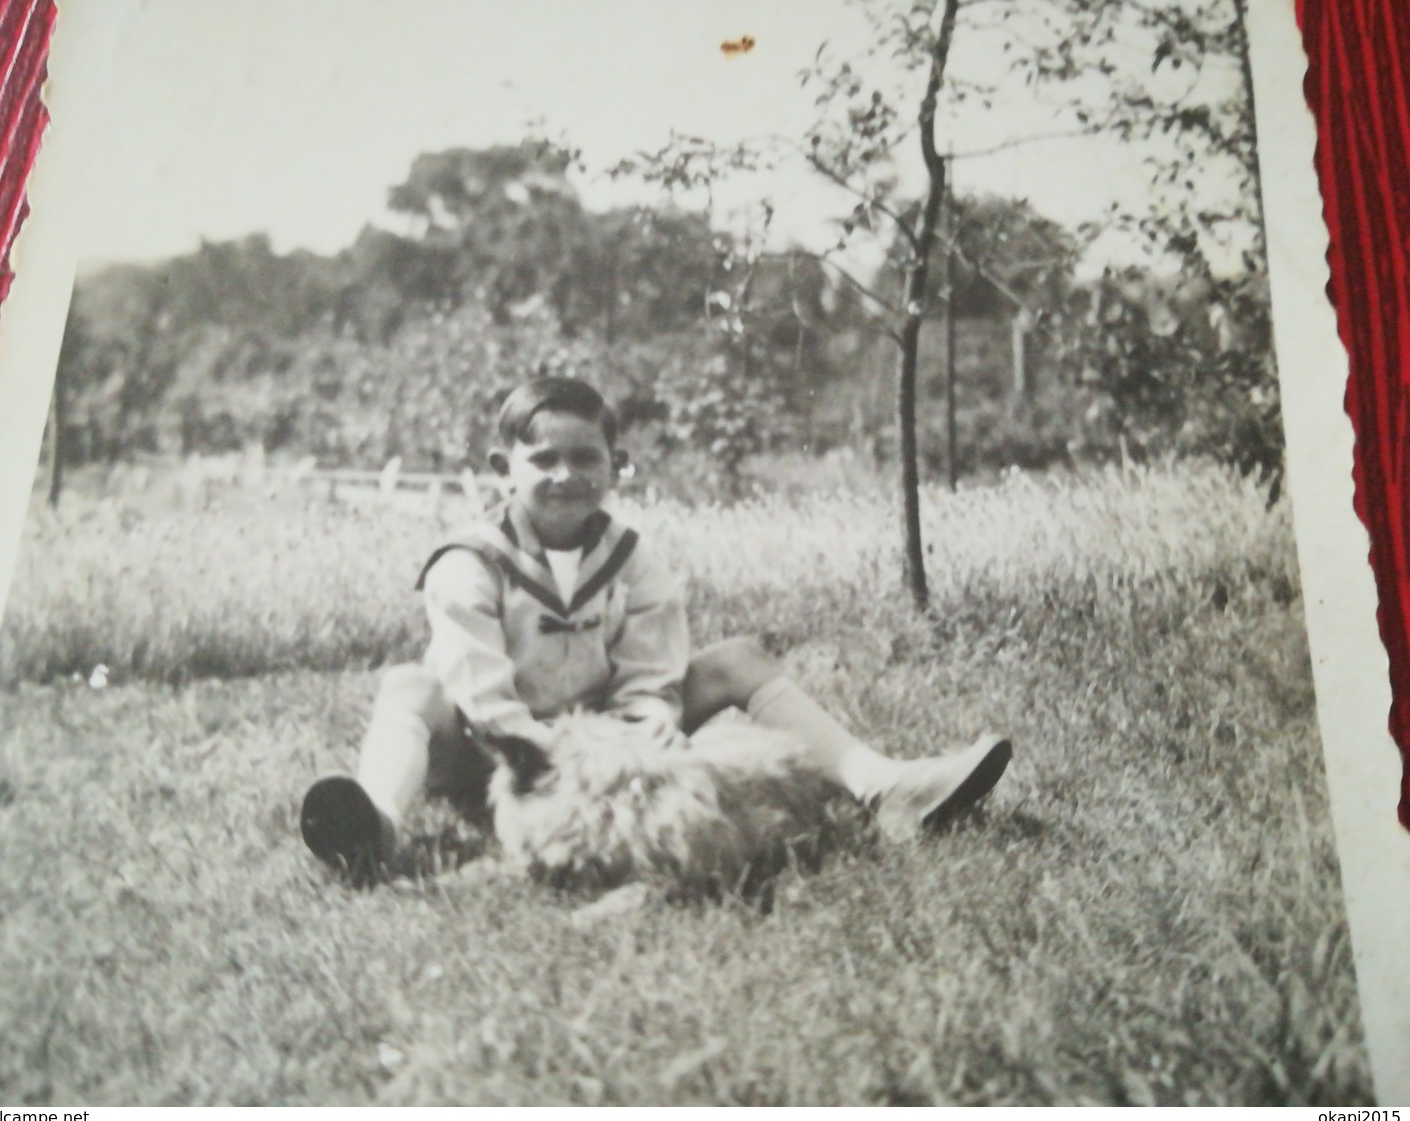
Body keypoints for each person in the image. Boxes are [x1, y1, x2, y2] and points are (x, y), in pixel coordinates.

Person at [300, 377, 1012, 887]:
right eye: (542, 459)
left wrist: (647, 722)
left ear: (617, 466)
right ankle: (379, 825)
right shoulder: (469, 557)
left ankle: (882, 785)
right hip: (500, 755)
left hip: (611, 739)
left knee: (737, 659)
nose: (565, 475)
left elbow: (653, 663)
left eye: (586, 458)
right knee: (410, 685)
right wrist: (539, 751)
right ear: (502, 469)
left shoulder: (631, 554)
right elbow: (473, 676)